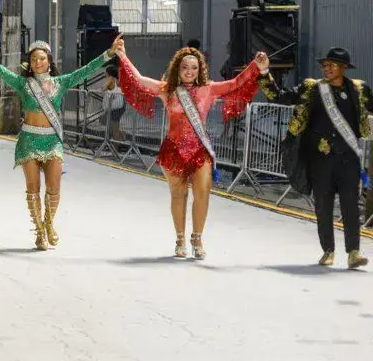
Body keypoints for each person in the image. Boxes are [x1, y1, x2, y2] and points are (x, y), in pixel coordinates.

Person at [115, 39, 269, 259]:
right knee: (178, 195)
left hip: (200, 151)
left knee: (203, 194)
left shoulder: (209, 89)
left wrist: (257, 66)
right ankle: (179, 239)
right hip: (174, 150)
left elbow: (236, 82)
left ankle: (197, 238)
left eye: (194, 67)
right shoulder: (167, 90)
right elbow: (139, 79)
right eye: (185, 67)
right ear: (177, 68)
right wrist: (122, 55)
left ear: (200, 70)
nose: (189, 71)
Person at [0, 35, 118, 250]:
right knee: (33, 188)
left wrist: (108, 54)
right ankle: (39, 231)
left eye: (42, 58)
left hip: (52, 140)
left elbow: (85, 70)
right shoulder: (23, 83)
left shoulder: (61, 82)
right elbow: (0, 70)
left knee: (54, 188)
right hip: (29, 139)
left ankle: (49, 223)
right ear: (30, 62)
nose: (38, 62)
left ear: (49, 61)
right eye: (34, 59)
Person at [261, 47, 371, 269]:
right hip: (320, 159)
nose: (326, 68)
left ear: (344, 68)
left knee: (351, 205)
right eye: (324, 64)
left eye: (332, 65)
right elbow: (280, 96)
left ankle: (354, 252)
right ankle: (328, 250)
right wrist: (264, 73)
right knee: (323, 205)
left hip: (348, 158)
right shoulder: (312, 88)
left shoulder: (359, 89)